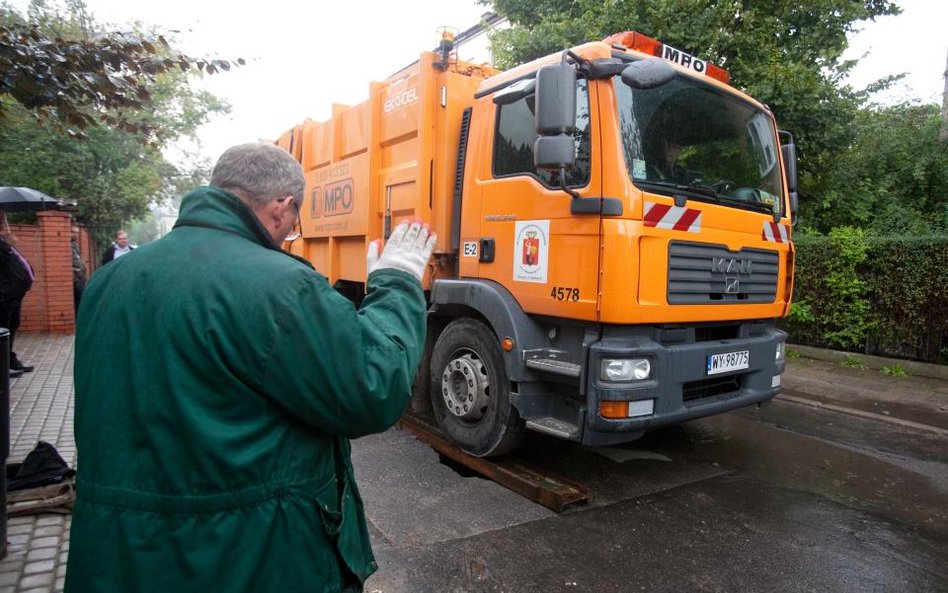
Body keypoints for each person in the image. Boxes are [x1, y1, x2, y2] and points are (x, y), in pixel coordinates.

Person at [65, 142, 436, 593]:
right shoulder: (280, 285)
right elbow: (371, 390)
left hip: (119, 556)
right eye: (294, 221)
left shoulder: (107, 282)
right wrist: (396, 284)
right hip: (245, 557)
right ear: (283, 207)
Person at [0, 230, 35, 377]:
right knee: (3, 330)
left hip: (14, 295)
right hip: (4, 297)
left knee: (11, 327)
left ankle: (10, 360)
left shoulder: (6, 244)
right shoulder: (4, 246)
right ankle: (3, 367)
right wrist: (6, 245)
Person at [70, 224, 87, 312]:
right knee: (81, 298)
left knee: (80, 301)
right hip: (75, 279)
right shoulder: (66, 245)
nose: (75, 234)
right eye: (73, 232)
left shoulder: (74, 245)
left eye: (77, 232)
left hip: (81, 278)